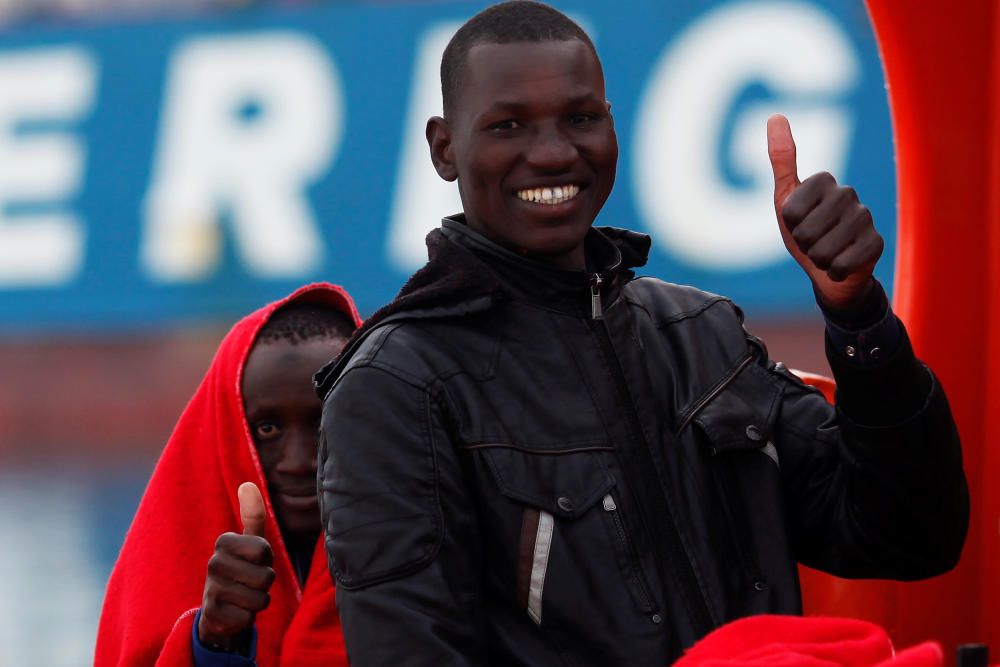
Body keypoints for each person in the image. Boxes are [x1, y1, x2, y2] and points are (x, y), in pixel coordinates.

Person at [316, 2, 969, 665]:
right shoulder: (392, 388)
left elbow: (910, 535)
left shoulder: (701, 334)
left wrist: (858, 316)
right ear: (443, 147)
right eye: (509, 124)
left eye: (581, 118)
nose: (552, 152)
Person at [95, 283, 360, 667]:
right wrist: (213, 643)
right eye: (267, 429)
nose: (298, 461)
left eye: (323, 423)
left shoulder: (429, 552)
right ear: (228, 431)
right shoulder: (162, 573)